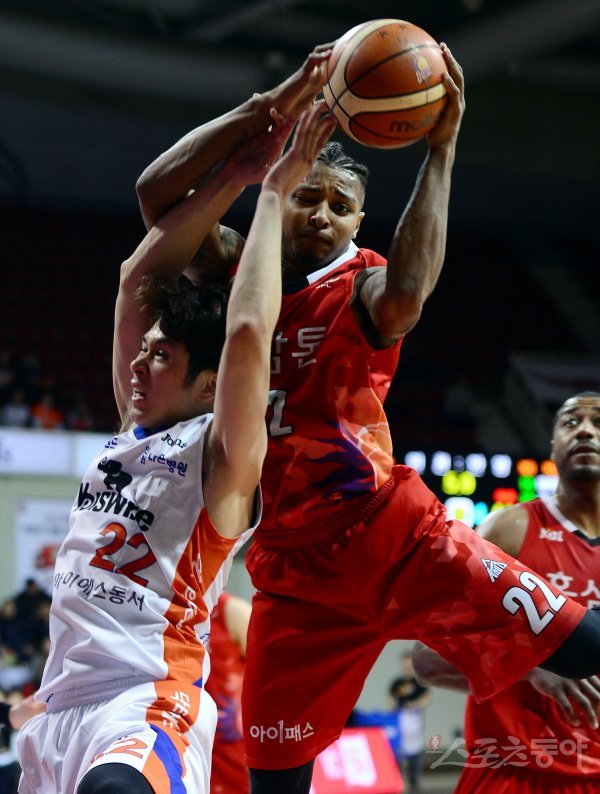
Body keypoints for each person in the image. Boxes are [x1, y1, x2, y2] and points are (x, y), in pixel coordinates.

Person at [135, 43, 600, 794]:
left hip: (395, 536)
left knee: (585, 644)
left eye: (341, 206)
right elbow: (158, 200)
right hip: (294, 572)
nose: (322, 215)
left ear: (357, 222)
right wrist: (263, 114)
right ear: (282, 195)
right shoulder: (235, 268)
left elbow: (411, 292)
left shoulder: (364, 282)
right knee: (272, 779)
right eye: (308, 197)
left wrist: (441, 150)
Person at [15, 97, 336, 793]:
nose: (138, 362)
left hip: (145, 704)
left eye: (160, 356)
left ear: (209, 385)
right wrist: (235, 172)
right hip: (56, 711)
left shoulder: (220, 456)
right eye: (146, 350)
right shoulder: (126, 432)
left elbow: (247, 333)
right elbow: (136, 277)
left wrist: (274, 192)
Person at [412, 391, 600, 793]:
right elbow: (427, 657)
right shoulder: (509, 529)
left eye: (598, 423)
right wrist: (530, 665)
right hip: (510, 772)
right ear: (553, 445)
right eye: (571, 422)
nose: (585, 431)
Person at [205, 592, 252, 794]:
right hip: (183, 748)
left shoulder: (232, 612)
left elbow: (276, 684)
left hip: (232, 760)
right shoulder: (158, 612)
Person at [389, 651, 430, 792]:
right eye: (405, 664)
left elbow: (425, 700)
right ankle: (398, 781)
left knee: (414, 751)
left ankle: (414, 783)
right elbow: (390, 700)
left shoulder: (420, 683)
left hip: (414, 718)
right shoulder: (397, 683)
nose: (407, 667)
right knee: (398, 751)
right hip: (400, 718)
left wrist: (413, 705)